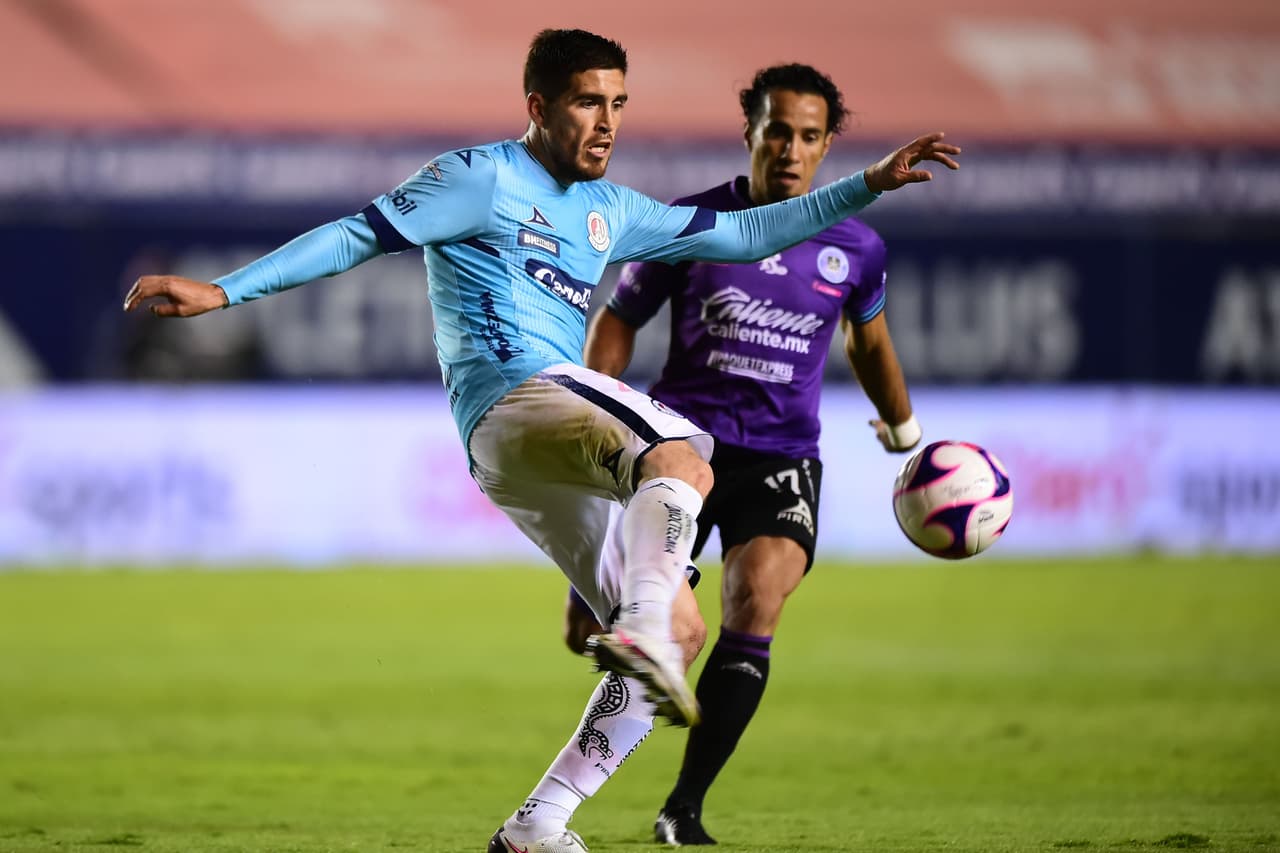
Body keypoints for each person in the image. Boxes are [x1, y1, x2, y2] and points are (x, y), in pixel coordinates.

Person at [122, 30, 958, 853]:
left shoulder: (611, 209)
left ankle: (539, 822)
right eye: (588, 102)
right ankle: (636, 622)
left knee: (684, 631)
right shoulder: (477, 176)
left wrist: (867, 185)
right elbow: (354, 234)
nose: (607, 122)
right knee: (681, 453)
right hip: (513, 396)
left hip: (531, 453)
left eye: (619, 104)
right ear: (539, 106)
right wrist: (222, 291)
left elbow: (743, 235)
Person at [562, 63, 922, 846]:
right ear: (750, 132)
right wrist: (595, 420)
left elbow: (870, 342)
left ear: (828, 144)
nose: (792, 150)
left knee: (758, 598)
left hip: (783, 457)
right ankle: (559, 799)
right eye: (778, 132)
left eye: (810, 136)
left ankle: (683, 807)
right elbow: (620, 319)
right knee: (667, 633)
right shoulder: (692, 223)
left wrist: (903, 432)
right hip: (679, 452)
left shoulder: (856, 247)